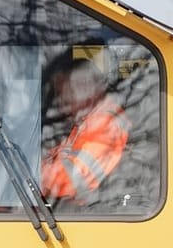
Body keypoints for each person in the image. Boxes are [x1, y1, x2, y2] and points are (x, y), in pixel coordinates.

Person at [39, 56, 130, 207]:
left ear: (86, 87)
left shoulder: (105, 124)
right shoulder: (87, 120)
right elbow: (64, 154)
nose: (60, 100)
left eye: (65, 91)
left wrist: (34, 176)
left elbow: (74, 178)